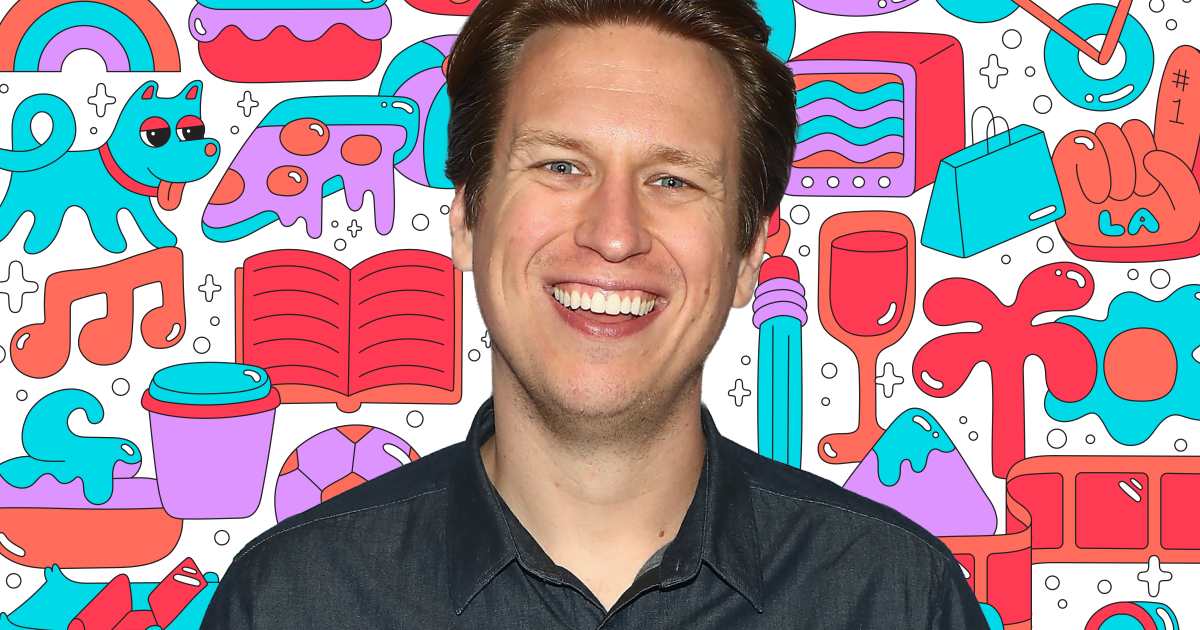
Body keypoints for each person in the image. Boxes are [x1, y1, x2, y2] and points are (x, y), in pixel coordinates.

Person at [200, 0, 991, 627]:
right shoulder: (288, 602)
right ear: (467, 219)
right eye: (561, 165)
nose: (614, 234)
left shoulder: (896, 598)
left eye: (673, 181)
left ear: (749, 253)